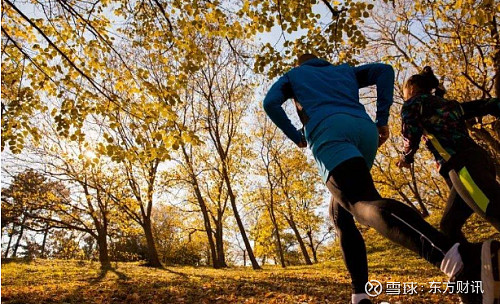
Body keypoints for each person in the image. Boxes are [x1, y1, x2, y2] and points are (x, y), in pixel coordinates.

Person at [263, 54, 500, 304]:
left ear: (299, 64)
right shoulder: (344, 71)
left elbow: (270, 103)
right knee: (341, 213)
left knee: (361, 203)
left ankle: (460, 258)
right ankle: (360, 295)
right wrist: (381, 119)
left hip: (329, 132)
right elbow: (384, 71)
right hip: (364, 132)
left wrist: (296, 136)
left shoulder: (295, 75)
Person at [397, 66, 500, 243]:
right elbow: (487, 105)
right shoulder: (448, 105)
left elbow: (411, 134)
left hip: (463, 167)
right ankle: (474, 268)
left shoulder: (412, 105)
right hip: (477, 162)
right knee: (449, 226)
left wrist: (406, 158)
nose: (405, 96)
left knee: (495, 211)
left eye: (405, 92)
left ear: (412, 88)